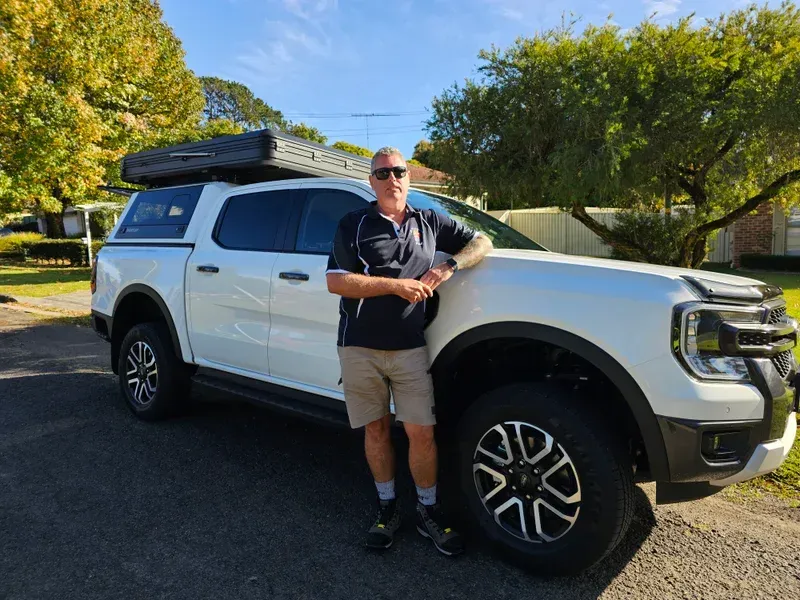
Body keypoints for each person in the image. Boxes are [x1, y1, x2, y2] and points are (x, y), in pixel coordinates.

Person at [325, 146, 493, 555]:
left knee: (421, 432)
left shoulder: (430, 221)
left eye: (398, 171)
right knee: (377, 429)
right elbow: (336, 281)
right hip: (359, 347)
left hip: (410, 349)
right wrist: (396, 285)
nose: (391, 179)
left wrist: (444, 268)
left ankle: (428, 512)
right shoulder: (354, 223)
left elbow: (483, 241)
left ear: (408, 178)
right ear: (372, 182)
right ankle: (386, 508)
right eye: (382, 174)